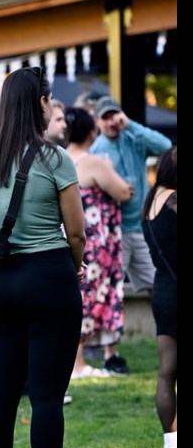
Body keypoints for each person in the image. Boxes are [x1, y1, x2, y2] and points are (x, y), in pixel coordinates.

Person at [0, 66, 91, 448]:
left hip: (2, 281)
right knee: (46, 393)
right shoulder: (55, 158)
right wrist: (75, 267)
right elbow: (76, 232)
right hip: (49, 278)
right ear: (41, 103)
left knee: (1, 393)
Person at [89, 95, 172, 374]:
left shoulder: (132, 138)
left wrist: (131, 125)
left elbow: (165, 147)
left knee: (157, 285)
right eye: (106, 117)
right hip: (115, 232)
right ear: (98, 122)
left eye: (115, 115)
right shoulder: (97, 150)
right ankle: (110, 354)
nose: (111, 121)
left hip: (141, 229)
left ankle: (168, 338)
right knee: (112, 291)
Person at [63, 108, 132, 378]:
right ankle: (79, 362)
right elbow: (123, 191)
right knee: (91, 297)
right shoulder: (92, 161)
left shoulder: (61, 157)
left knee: (78, 296)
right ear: (92, 131)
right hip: (96, 241)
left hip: (70, 234)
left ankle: (77, 360)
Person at [141, 147, 176, 448]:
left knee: (167, 370)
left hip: (163, 289)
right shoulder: (175, 200)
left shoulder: (149, 201)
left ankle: (171, 441)